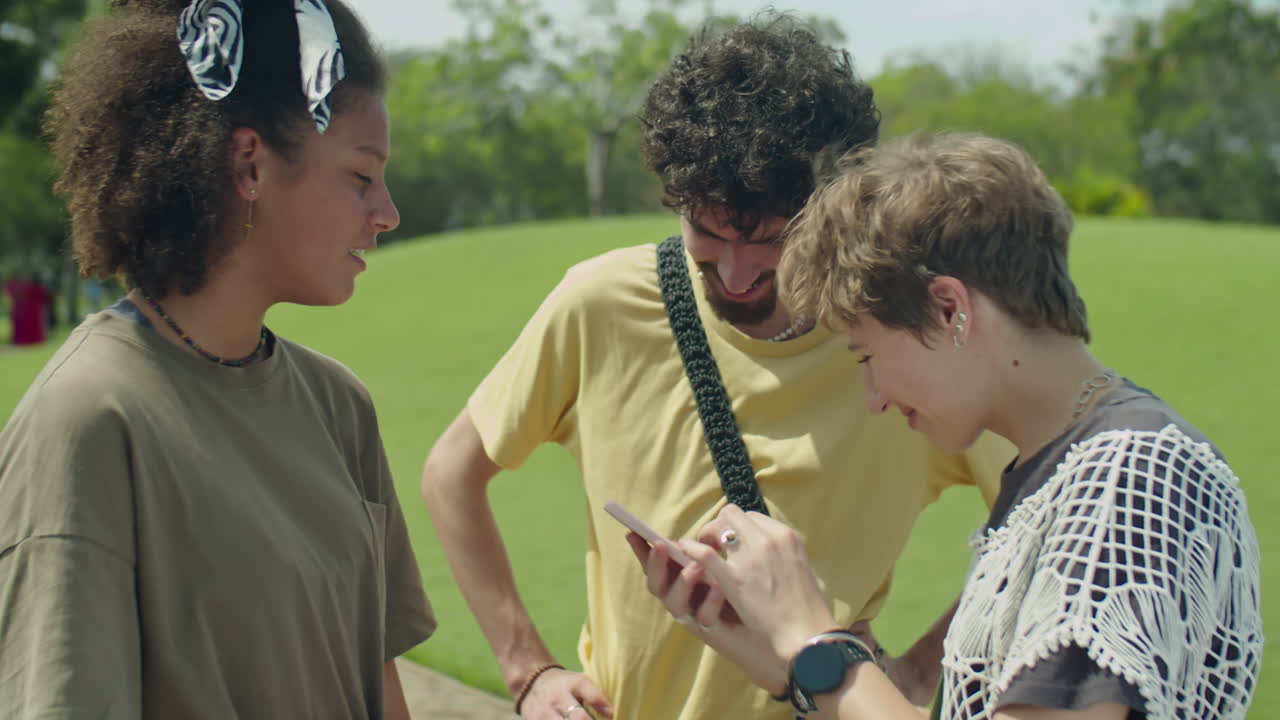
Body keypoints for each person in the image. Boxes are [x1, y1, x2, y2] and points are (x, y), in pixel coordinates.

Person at [422, 17, 1011, 720]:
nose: (734, 273)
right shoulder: (601, 304)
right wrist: (528, 670)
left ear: (832, 212)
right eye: (708, 229)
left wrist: (918, 671)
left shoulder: (896, 340)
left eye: (771, 240)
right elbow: (451, 474)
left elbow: (1040, 535)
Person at [631, 133, 1263, 720]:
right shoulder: (1066, 468)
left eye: (867, 356)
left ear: (949, 309)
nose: (874, 397)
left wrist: (811, 637)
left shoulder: (1131, 477)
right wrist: (776, 655)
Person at [0, 0, 435, 717]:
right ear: (249, 164)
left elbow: (377, 684)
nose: (386, 213)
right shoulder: (88, 420)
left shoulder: (338, 406)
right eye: (361, 176)